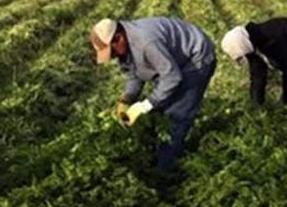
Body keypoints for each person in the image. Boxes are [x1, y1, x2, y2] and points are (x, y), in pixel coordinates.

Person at [91, 17, 216, 171]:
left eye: (112, 51)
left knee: (175, 116)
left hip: (195, 58)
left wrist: (146, 104)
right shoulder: (125, 47)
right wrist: (126, 99)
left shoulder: (146, 42)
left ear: (118, 38)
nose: (113, 56)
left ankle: (165, 170)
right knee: (158, 111)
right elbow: (134, 75)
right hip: (172, 64)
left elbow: (172, 77)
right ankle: (157, 155)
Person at [221, 17, 287, 109]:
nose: (243, 59)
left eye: (241, 56)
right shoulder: (253, 43)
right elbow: (258, 76)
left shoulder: (271, 38)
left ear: (243, 46)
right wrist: (256, 104)